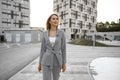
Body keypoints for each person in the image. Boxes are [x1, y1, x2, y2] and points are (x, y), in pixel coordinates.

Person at [38, 13, 66, 80]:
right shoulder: (45, 33)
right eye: (53, 19)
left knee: (56, 78)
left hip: (57, 60)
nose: (56, 20)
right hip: (46, 60)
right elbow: (42, 49)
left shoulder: (61, 33)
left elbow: (63, 49)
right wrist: (40, 63)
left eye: (57, 19)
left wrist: (64, 63)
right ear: (50, 21)